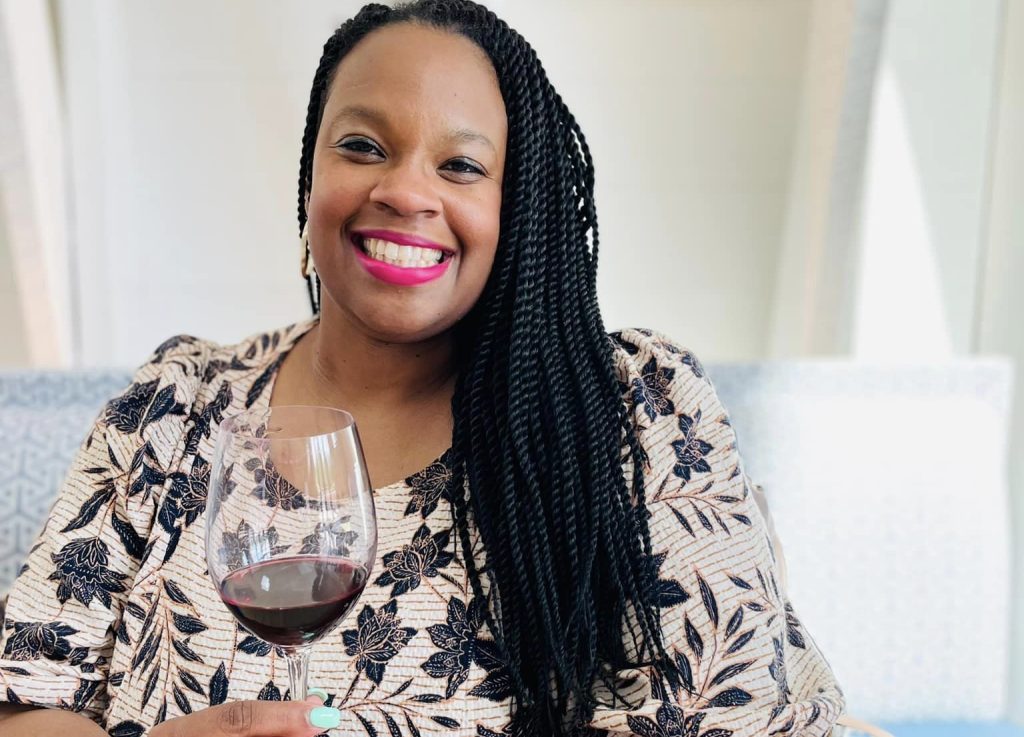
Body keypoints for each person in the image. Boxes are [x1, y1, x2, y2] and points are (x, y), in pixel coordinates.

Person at [0, 2, 845, 735]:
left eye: (462, 165)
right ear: (310, 178)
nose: (406, 190)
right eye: (363, 146)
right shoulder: (173, 406)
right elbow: (23, 696)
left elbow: (724, 716)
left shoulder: (636, 411)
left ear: (519, 212)